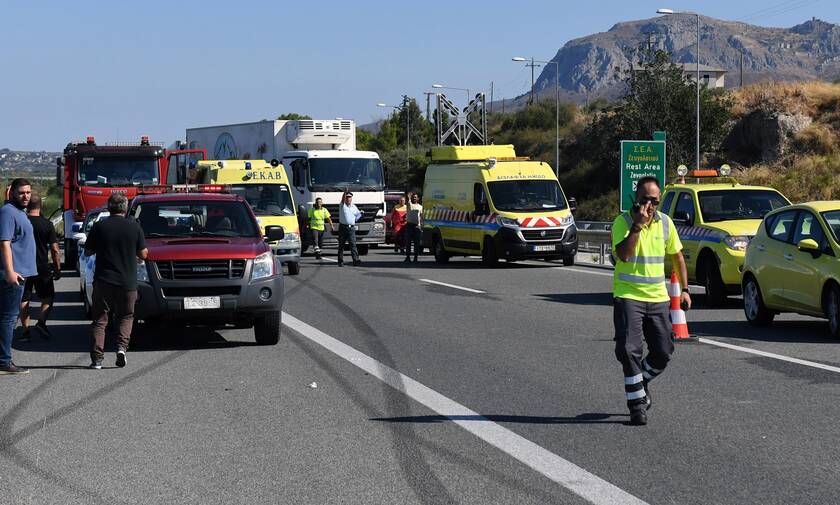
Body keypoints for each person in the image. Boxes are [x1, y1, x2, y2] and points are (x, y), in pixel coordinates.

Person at [612, 176, 690, 426]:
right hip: (628, 297)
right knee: (628, 350)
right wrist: (637, 226)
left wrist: (685, 290)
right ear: (635, 199)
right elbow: (623, 255)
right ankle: (637, 407)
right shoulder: (622, 222)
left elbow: (678, 256)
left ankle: (641, 381)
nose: (649, 205)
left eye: (654, 201)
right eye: (645, 199)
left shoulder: (665, 223)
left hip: (657, 298)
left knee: (663, 352)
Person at [85, 193, 148, 370]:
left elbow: (88, 252)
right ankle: (121, 349)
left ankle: (97, 359)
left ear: (108, 207)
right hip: (127, 282)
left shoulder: (99, 227)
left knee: (100, 319)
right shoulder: (134, 226)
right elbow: (143, 254)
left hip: (104, 280)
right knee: (126, 316)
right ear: (125, 208)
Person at [0, 178, 36, 375]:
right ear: (12, 192)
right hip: (13, 275)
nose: (26, 196)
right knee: (8, 318)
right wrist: (10, 271)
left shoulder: (16, 212)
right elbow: (4, 242)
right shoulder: (7, 213)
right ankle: (4, 361)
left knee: (7, 317)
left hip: (20, 274)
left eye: (28, 192)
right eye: (21, 192)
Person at [19, 193, 61, 340]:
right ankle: (41, 322)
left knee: (24, 299)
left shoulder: (21, 222)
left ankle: (25, 332)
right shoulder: (47, 224)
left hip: (23, 266)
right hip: (42, 266)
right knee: (48, 296)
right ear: (40, 206)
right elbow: (55, 249)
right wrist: (57, 268)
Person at [337, 190, 362, 267]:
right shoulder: (342, 205)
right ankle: (340, 261)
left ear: (351, 198)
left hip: (351, 228)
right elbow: (342, 199)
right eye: (347, 197)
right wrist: (345, 192)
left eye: (349, 197)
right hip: (343, 227)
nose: (348, 199)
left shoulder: (354, 207)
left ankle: (355, 260)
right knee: (341, 245)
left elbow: (358, 216)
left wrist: (361, 214)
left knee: (353, 244)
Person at [404, 192, 423, 263]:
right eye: (413, 197)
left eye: (415, 197)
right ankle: (408, 257)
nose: (414, 198)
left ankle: (416, 257)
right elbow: (407, 199)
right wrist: (408, 196)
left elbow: (421, 217)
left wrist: (422, 226)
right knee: (408, 242)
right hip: (409, 226)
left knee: (416, 243)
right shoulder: (409, 205)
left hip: (417, 227)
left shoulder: (420, 207)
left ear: (418, 198)